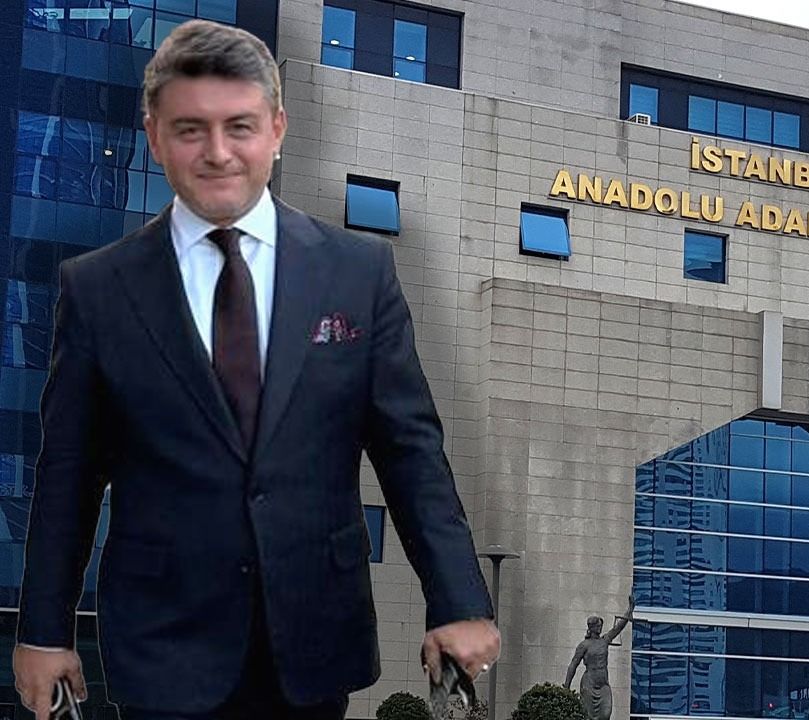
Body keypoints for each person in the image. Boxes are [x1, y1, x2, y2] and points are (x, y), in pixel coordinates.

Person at [12, 19, 499, 720]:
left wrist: (458, 601)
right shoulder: (97, 289)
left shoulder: (358, 274)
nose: (217, 152)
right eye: (190, 129)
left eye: (238, 126)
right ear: (154, 137)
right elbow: (68, 474)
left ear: (276, 129)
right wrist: (43, 631)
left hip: (313, 636)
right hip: (162, 642)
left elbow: (411, 453)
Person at [563, 597, 634, 720]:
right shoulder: (584, 645)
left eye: (601, 626)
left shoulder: (604, 640)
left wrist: (629, 610)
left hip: (603, 684)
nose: (600, 628)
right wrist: (566, 687)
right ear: (591, 627)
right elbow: (573, 664)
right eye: (597, 626)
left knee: (606, 714)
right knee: (588, 716)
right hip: (589, 684)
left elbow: (618, 628)